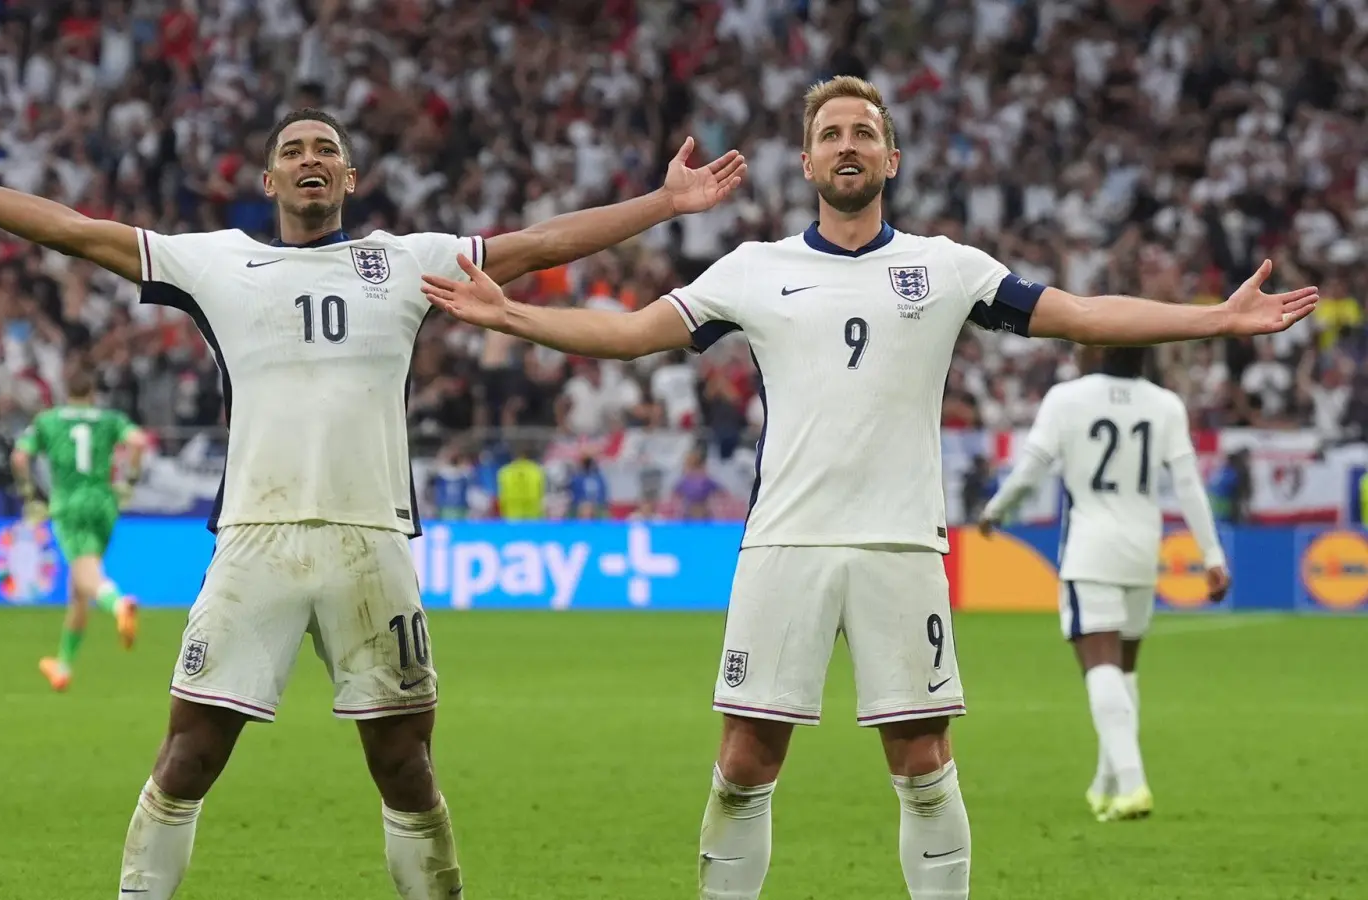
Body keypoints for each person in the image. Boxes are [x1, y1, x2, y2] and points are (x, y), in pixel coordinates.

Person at [418, 76, 1316, 900]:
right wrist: (515, 315)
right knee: (743, 760)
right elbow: (635, 333)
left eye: (864, 133)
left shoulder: (950, 266)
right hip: (785, 548)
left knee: (924, 759)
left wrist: (1216, 320)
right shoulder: (752, 269)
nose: (847, 145)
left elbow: (1079, 312)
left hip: (901, 549)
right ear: (807, 161)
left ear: (891, 158)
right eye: (831, 134)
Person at [0, 102, 744, 899]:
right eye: (293, 151)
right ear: (270, 180)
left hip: (373, 544)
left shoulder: (406, 262)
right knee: (188, 756)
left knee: (405, 765)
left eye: (327, 149)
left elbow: (538, 244)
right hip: (256, 540)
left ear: (350, 178)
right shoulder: (217, 260)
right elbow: (73, 230)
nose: (310, 159)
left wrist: (661, 205)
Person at [976, 346, 1229, 822]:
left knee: (1099, 666)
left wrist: (994, 511)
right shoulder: (1165, 403)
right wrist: (1212, 555)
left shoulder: (1066, 398)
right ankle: (1106, 784)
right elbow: (1190, 484)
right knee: (1125, 669)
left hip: (1090, 548)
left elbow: (1031, 469)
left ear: (1095, 347)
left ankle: (1133, 784)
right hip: (1141, 548)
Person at [11, 368, 149, 692]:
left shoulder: (48, 420)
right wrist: (128, 482)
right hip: (104, 501)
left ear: (65, 391)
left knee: (87, 573)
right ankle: (63, 665)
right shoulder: (110, 419)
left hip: (69, 504)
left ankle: (118, 605)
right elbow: (138, 442)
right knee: (78, 589)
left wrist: (30, 496)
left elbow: (19, 457)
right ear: (92, 393)